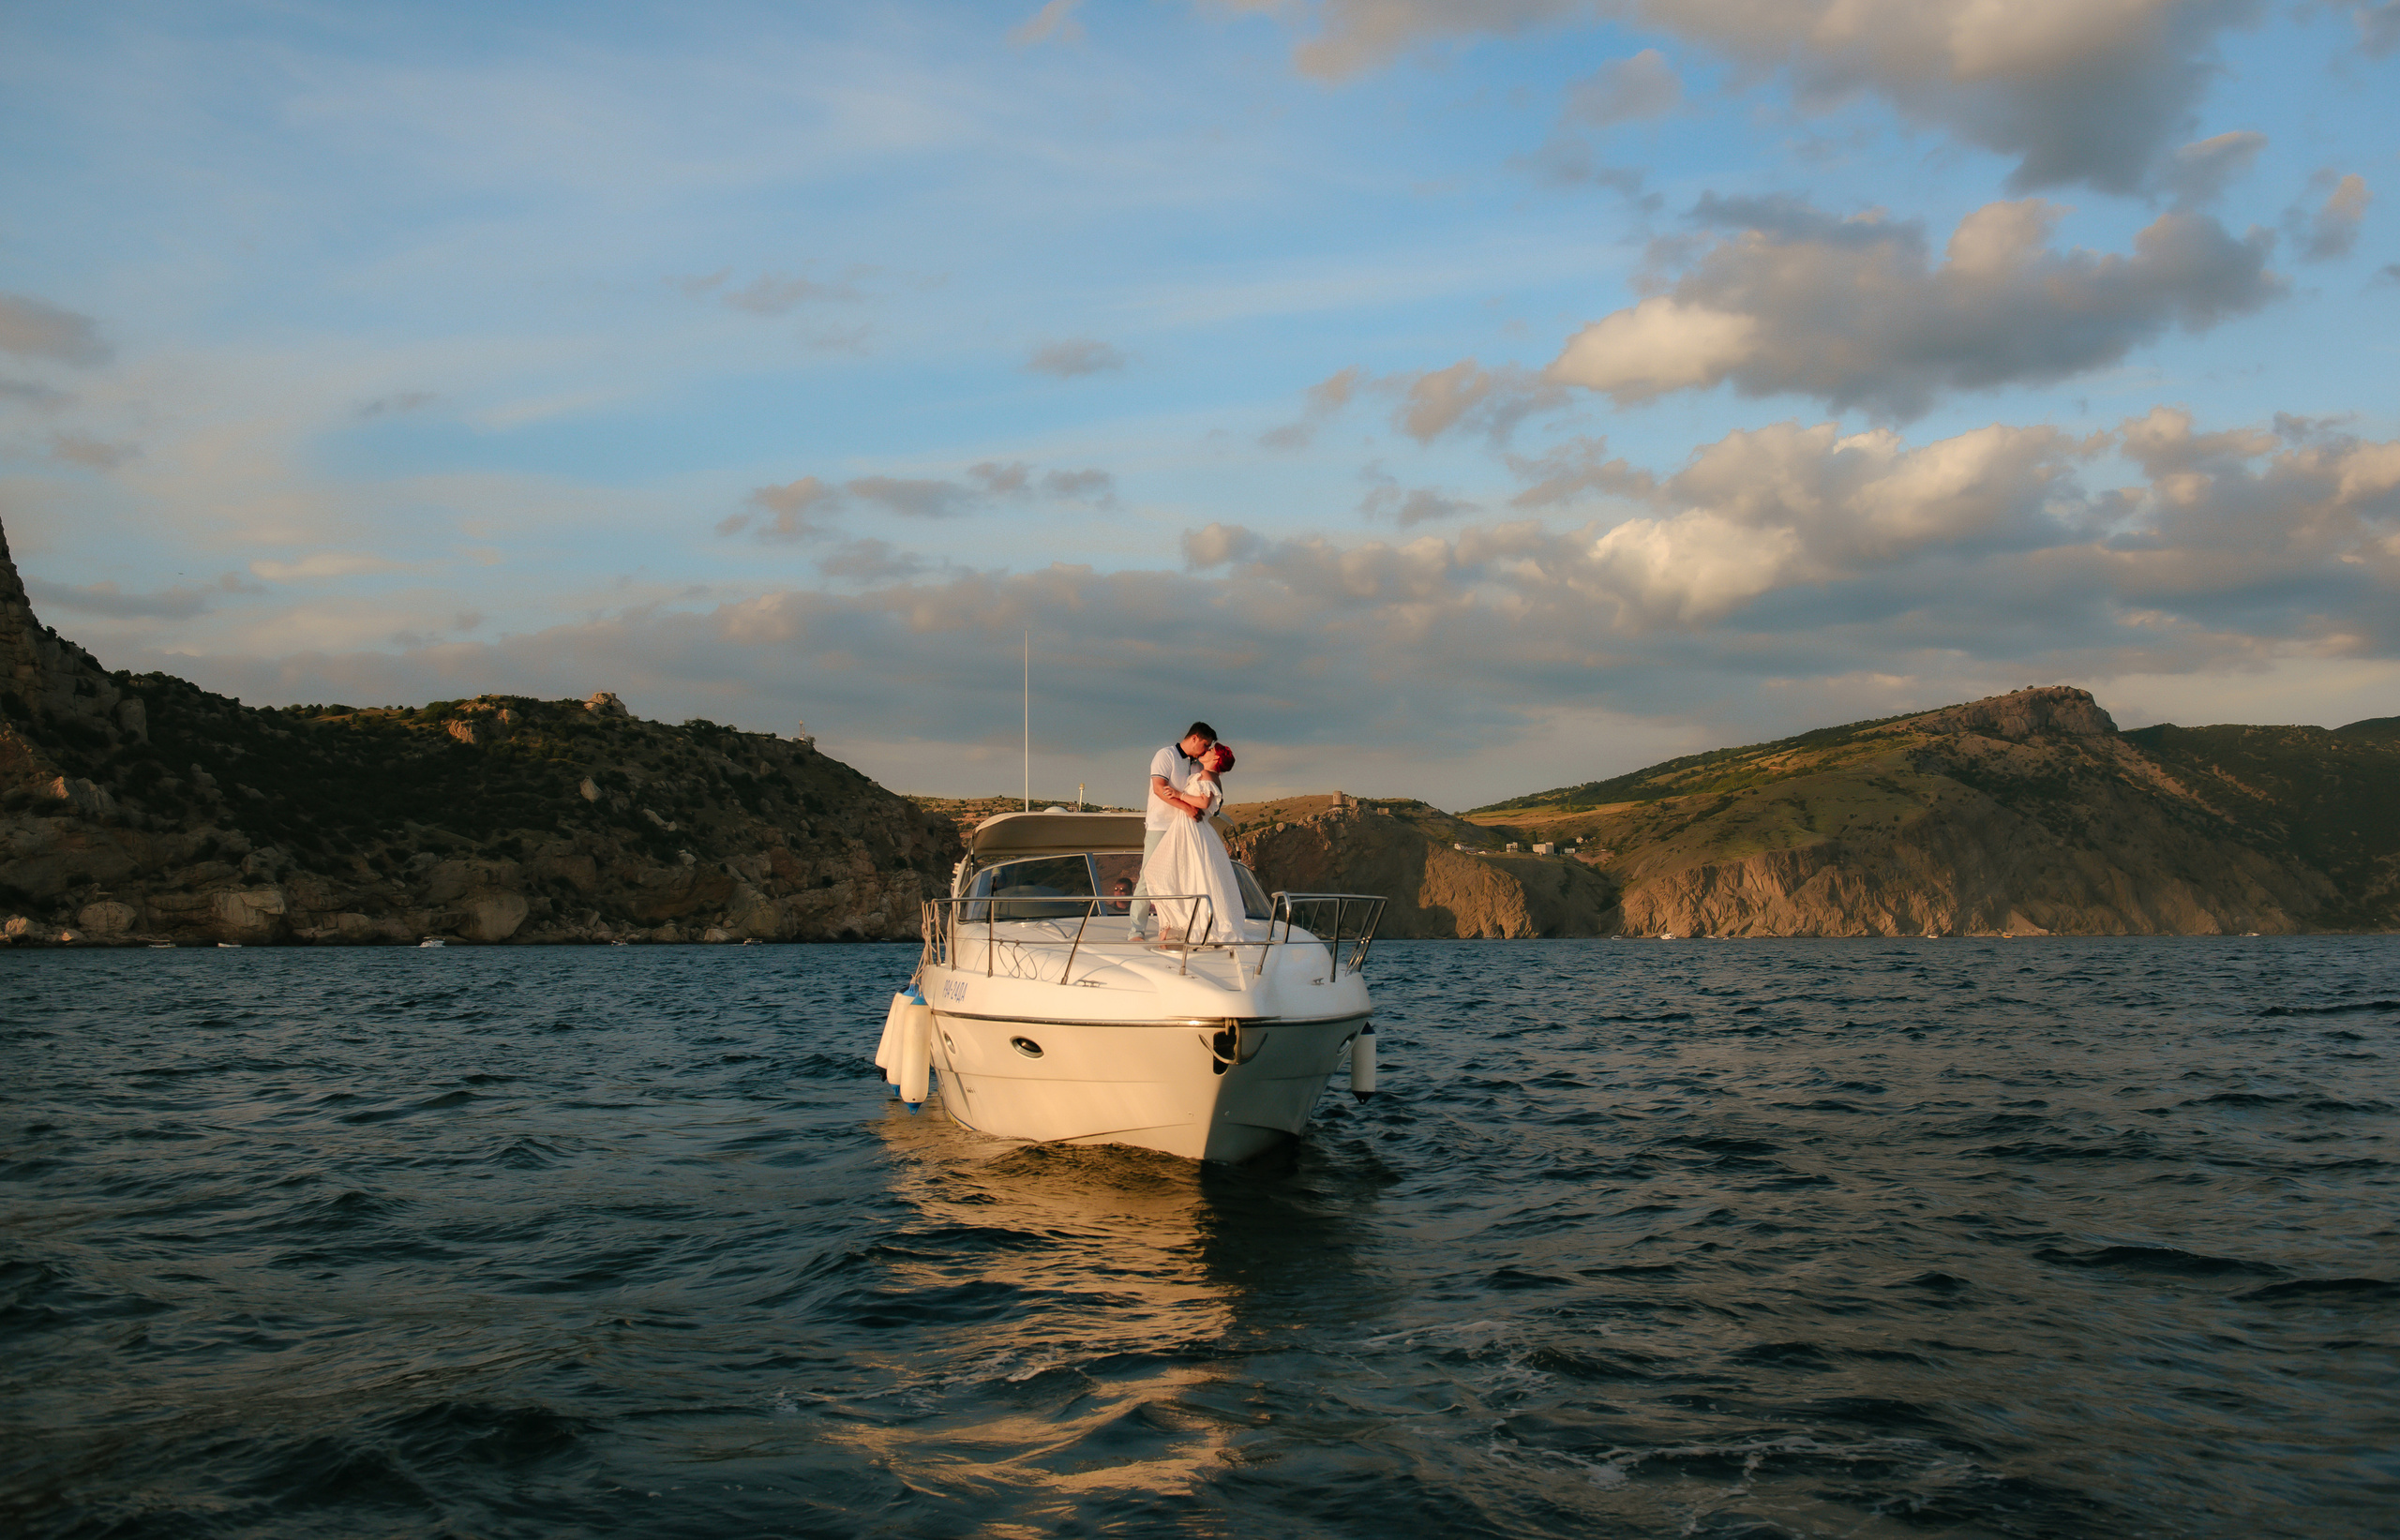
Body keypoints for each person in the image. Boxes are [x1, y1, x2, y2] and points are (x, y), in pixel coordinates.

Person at [1142, 742, 1248, 945]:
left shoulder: (1208, 775)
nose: (1205, 751)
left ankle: (1177, 923)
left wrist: (1178, 794)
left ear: (1216, 758)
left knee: (1169, 873)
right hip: (1189, 828)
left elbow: (1204, 803)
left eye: (1210, 750)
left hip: (1191, 829)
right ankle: (1172, 923)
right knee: (1180, 875)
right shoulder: (1207, 774)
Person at [1131, 722, 1215, 933]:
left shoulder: (1197, 766)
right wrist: (1187, 808)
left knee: (1181, 879)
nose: (1205, 750)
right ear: (1194, 738)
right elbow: (1159, 789)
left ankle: (1171, 928)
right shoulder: (1165, 755)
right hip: (1160, 825)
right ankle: (1136, 929)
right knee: (1148, 876)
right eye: (1205, 744)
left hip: (1185, 829)